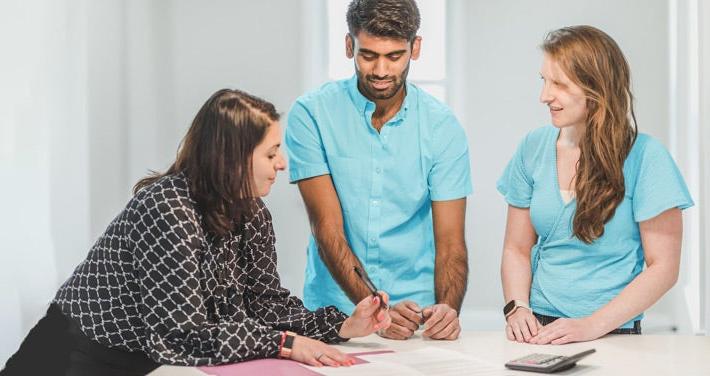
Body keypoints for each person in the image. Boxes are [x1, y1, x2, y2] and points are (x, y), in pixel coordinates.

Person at [1, 89, 390, 376]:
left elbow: (265, 304)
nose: (282, 164)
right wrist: (284, 344)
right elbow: (184, 334)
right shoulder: (167, 208)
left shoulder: (252, 212)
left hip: (143, 360)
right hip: (75, 356)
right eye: (271, 154)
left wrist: (340, 325)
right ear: (233, 158)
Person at [285, 0, 472, 341]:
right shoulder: (311, 115)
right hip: (334, 313)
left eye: (394, 56)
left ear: (415, 48)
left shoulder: (443, 127)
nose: (382, 71)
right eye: (368, 55)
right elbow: (327, 230)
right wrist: (376, 313)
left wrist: (447, 310)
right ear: (348, 46)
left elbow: (451, 245)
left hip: (416, 318)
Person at [498, 25, 694, 345]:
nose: (544, 96)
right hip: (538, 327)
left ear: (596, 88)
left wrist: (590, 326)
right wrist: (517, 308)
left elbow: (664, 267)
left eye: (559, 84)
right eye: (544, 81)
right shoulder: (532, 147)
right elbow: (516, 249)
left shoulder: (647, 157)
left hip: (615, 331)